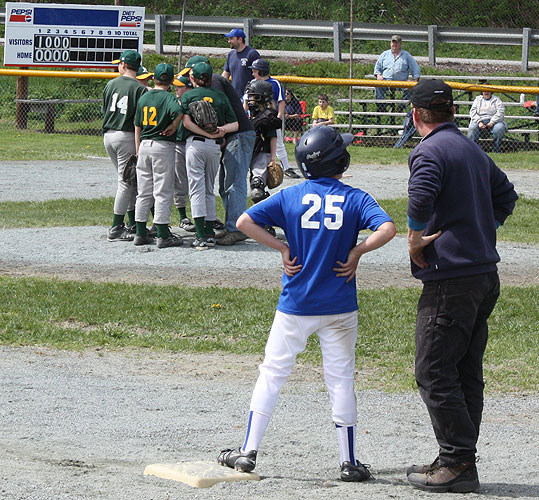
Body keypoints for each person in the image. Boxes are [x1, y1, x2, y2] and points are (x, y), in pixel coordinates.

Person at [217, 125, 396, 481]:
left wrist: (282, 247)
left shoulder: (291, 196)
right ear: (340, 161)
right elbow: (387, 228)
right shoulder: (356, 198)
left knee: (272, 373)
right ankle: (348, 462)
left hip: (295, 304)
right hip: (340, 305)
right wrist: (358, 250)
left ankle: (248, 452)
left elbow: (243, 220)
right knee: (341, 378)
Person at [405, 79, 517, 493]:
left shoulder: (429, 150)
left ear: (417, 115)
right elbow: (506, 196)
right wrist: (482, 229)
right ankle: (459, 458)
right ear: (453, 112)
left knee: (433, 370)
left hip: (451, 278)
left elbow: (420, 199)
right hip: (483, 274)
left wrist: (415, 237)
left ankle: (456, 462)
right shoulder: (471, 148)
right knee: (464, 371)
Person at [180, 61, 239, 250]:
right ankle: (210, 233)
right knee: (208, 189)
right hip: (214, 147)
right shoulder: (220, 96)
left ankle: (201, 236)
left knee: (196, 188)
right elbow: (235, 124)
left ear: (193, 78)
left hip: (196, 145)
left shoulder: (188, 95)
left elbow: (187, 124)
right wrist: (220, 131)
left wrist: (205, 133)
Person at [133, 63, 183, 249]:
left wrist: (138, 148)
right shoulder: (168, 97)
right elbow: (178, 111)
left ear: (154, 79)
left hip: (144, 145)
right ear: (170, 81)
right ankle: (162, 235)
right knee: (162, 190)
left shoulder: (144, 97)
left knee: (144, 191)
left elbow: (137, 124)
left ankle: (140, 233)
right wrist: (174, 125)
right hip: (162, 146)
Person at [102, 50, 147, 242]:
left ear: (123, 65)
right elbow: (141, 119)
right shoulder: (140, 88)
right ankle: (116, 226)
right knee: (126, 181)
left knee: (127, 180)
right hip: (127, 136)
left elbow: (104, 109)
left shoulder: (111, 83)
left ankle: (131, 223)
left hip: (108, 136)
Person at [246, 58, 301, 178]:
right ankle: (248, 167)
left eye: (255, 71)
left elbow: (281, 101)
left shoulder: (275, 83)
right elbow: (246, 101)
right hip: (255, 119)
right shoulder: (252, 83)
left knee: (278, 144)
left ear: (262, 72)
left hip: (270, 118)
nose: (253, 73)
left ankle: (286, 167)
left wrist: (279, 116)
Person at [373, 35, 420, 105]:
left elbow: (415, 68)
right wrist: (378, 75)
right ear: (390, 43)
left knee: (412, 89)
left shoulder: (406, 55)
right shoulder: (384, 54)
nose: (394, 45)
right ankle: (381, 106)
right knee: (378, 85)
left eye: (396, 43)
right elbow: (377, 68)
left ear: (400, 44)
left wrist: (415, 80)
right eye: (393, 42)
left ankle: (401, 107)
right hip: (386, 81)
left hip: (402, 82)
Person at [467, 83, 507, 153]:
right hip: (479, 120)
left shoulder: (496, 99)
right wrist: (479, 122)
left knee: (499, 128)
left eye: (488, 90)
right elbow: (472, 112)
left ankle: (496, 148)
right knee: (472, 127)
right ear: (482, 92)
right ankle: (473, 150)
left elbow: (501, 112)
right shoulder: (477, 99)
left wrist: (492, 122)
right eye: (484, 90)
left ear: (491, 91)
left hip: (495, 121)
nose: (486, 92)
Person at [222, 28, 260, 99]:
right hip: (235, 96)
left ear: (240, 39)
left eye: (231, 38)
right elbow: (225, 75)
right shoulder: (231, 55)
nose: (229, 41)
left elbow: (260, 75)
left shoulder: (252, 54)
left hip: (250, 96)